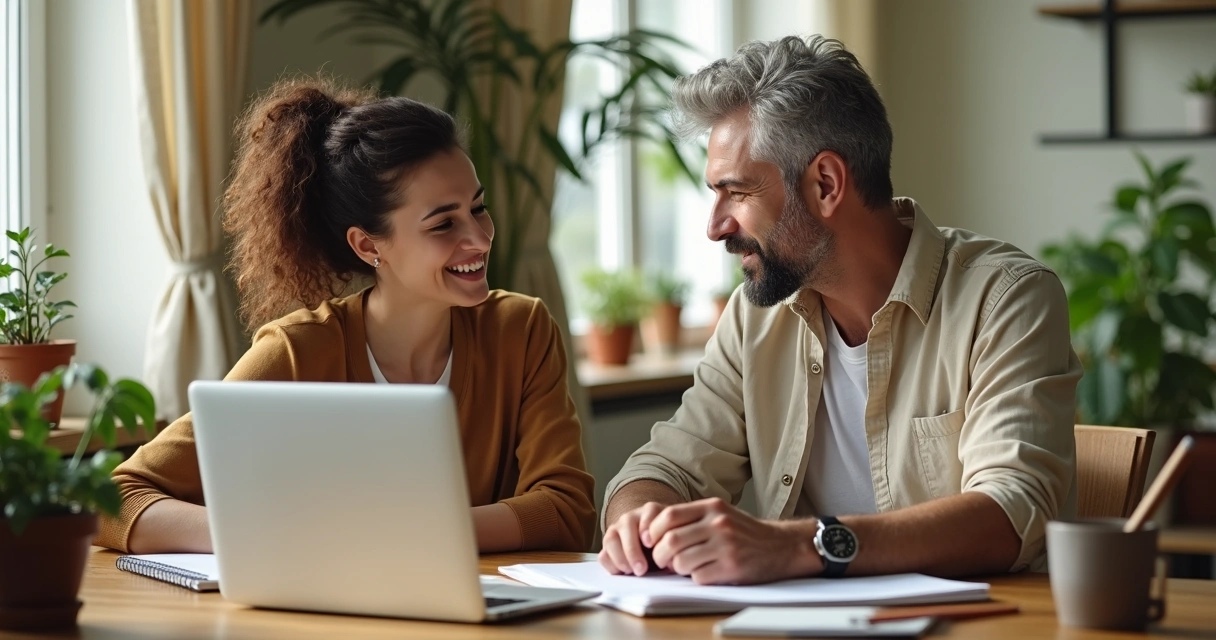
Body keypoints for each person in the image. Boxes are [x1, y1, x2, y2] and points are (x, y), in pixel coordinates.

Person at [599, 36, 1081, 585]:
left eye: (736, 192)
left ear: (825, 184)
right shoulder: (754, 318)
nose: (716, 226)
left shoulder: (1007, 300)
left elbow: (1009, 513)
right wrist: (640, 525)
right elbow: (666, 468)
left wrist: (799, 545)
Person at [95, 78, 595, 555]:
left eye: (478, 208)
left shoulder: (521, 330)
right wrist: (274, 533)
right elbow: (111, 502)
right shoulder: (297, 352)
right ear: (368, 244)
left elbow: (567, 512)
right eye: (443, 222)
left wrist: (395, 533)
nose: (479, 237)